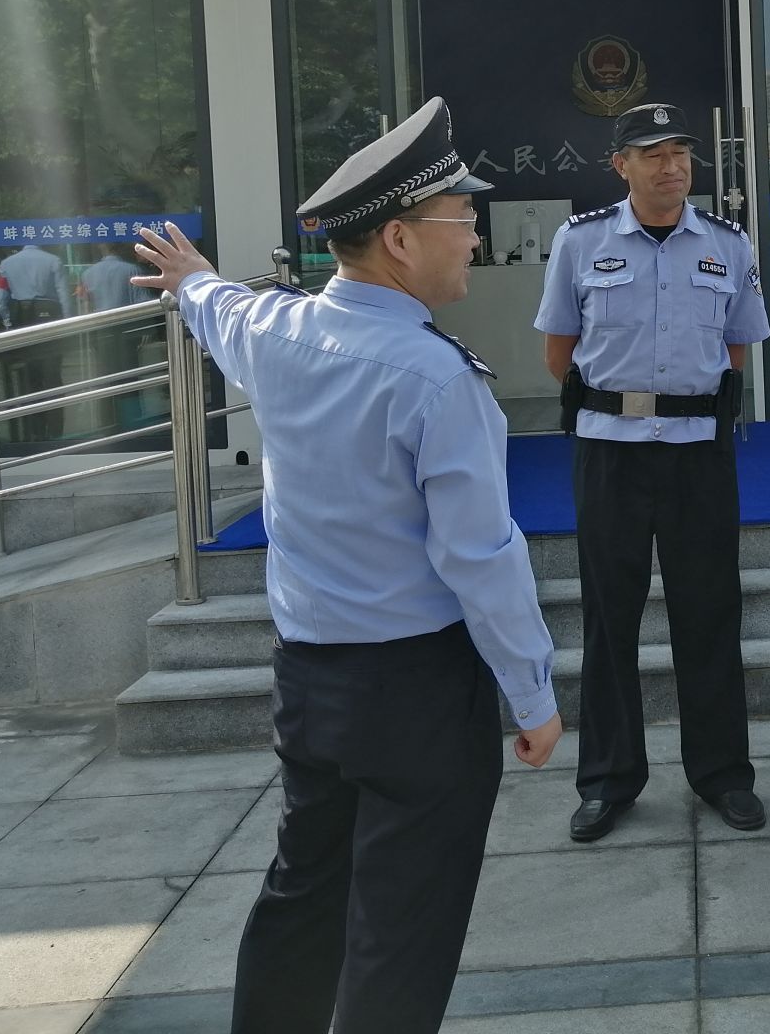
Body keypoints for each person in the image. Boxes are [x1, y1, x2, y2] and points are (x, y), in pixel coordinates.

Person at [129, 97, 562, 1034]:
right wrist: (532, 694)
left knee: (304, 893)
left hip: (309, 681)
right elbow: (481, 559)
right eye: (462, 218)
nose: (475, 237)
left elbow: (218, 309)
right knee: (402, 933)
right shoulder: (437, 381)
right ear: (400, 239)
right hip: (416, 692)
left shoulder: (277, 330)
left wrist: (192, 278)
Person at [534, 101, 770, 843]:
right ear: (621, 166)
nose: (673, 167)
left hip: (699, 451)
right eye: (654, 154)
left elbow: (736, 347)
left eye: (681, 154)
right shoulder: (580, 241)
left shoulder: (728, 243)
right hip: (611, 449)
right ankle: (609, 781)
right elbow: (559, 350)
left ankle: (723, 774)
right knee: (610, 618)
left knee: (710, 612)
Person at [0, 239, 73, 440]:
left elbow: (1, 296)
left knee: (29, 378)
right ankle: (55, 431)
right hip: (49, 314)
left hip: (21, 316)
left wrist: (7, 320)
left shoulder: (7, 263)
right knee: (52, 377)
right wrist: (68, 322)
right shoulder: (54, 261)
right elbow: (64, 294)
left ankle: (36, 431)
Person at [78, 242, 152, 431]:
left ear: (101, 248)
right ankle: (131, 422)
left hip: (100, 331)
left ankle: (107, 424)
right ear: (119, 249)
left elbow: (85, 306)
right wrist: (146, 329)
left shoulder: (88, 274)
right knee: (129, 377)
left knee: (104, 377)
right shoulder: (132, 270)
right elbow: (142, 302)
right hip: (126, 330)